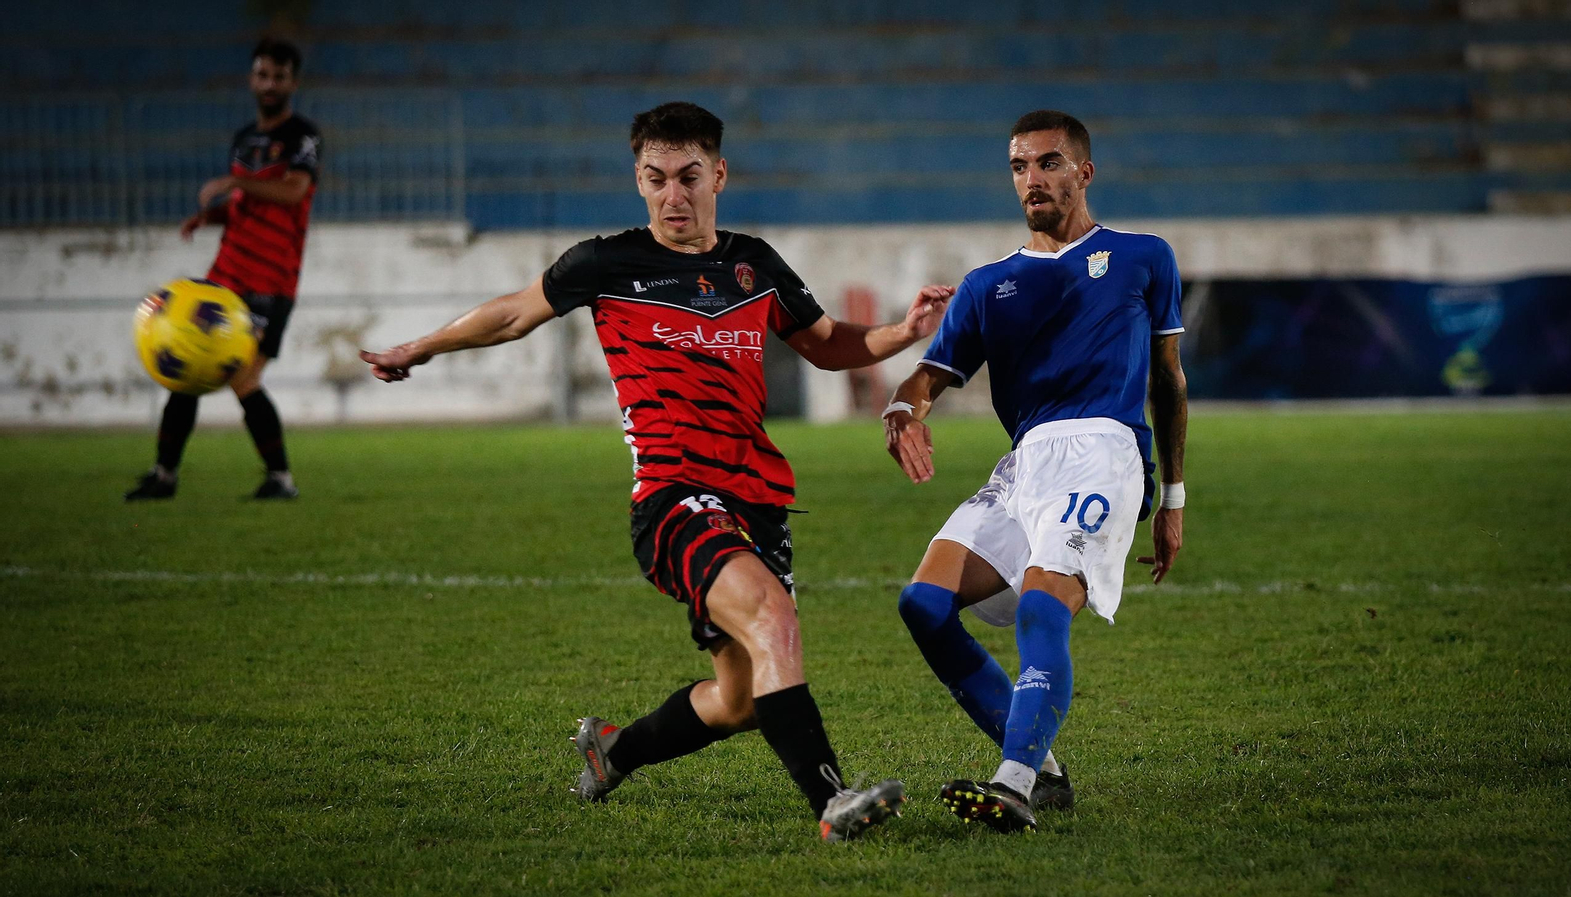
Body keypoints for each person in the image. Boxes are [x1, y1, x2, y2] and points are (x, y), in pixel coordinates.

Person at [359, 102, 951, 841]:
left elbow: (826, 342)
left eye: (688, 177)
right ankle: (832, 804)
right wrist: (420, 347)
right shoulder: (606, 263)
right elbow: (512, 314)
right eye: (656, 178)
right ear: (638, 181)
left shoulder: (754, 264)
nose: (673, 195)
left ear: (719, 176)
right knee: (773, 616)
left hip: (758, 496)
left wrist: (903, 329)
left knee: (739, 697)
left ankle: (616, 749)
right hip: (674, 498)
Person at [882, 110, 1189, 833]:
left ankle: (1012, 782)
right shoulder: (990, 285)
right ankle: (1043, 770)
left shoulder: (1145, 256)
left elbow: (1168, 382)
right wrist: (902, 409)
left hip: (1107, 453)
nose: (1032, 179)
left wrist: (1172, 496)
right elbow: (927, 376)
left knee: (1044, 604)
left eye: (1049, 163)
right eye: (1019, 166)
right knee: (922, 604)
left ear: (1084, 171)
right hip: (1026, 464)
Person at [125, 38, 320, 501]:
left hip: (271, 282)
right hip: (225, 277)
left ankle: (281, 480)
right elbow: (244, 205)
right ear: (252, 79)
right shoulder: (244, 139)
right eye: (262, 75)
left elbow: (293, 193)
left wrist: (237, 181)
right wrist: (210, 217)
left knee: (245, 379)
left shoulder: (302, 136)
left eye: (278, 76)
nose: (269, 84)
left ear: (292, 82)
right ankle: (164, 476)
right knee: (185, 368)